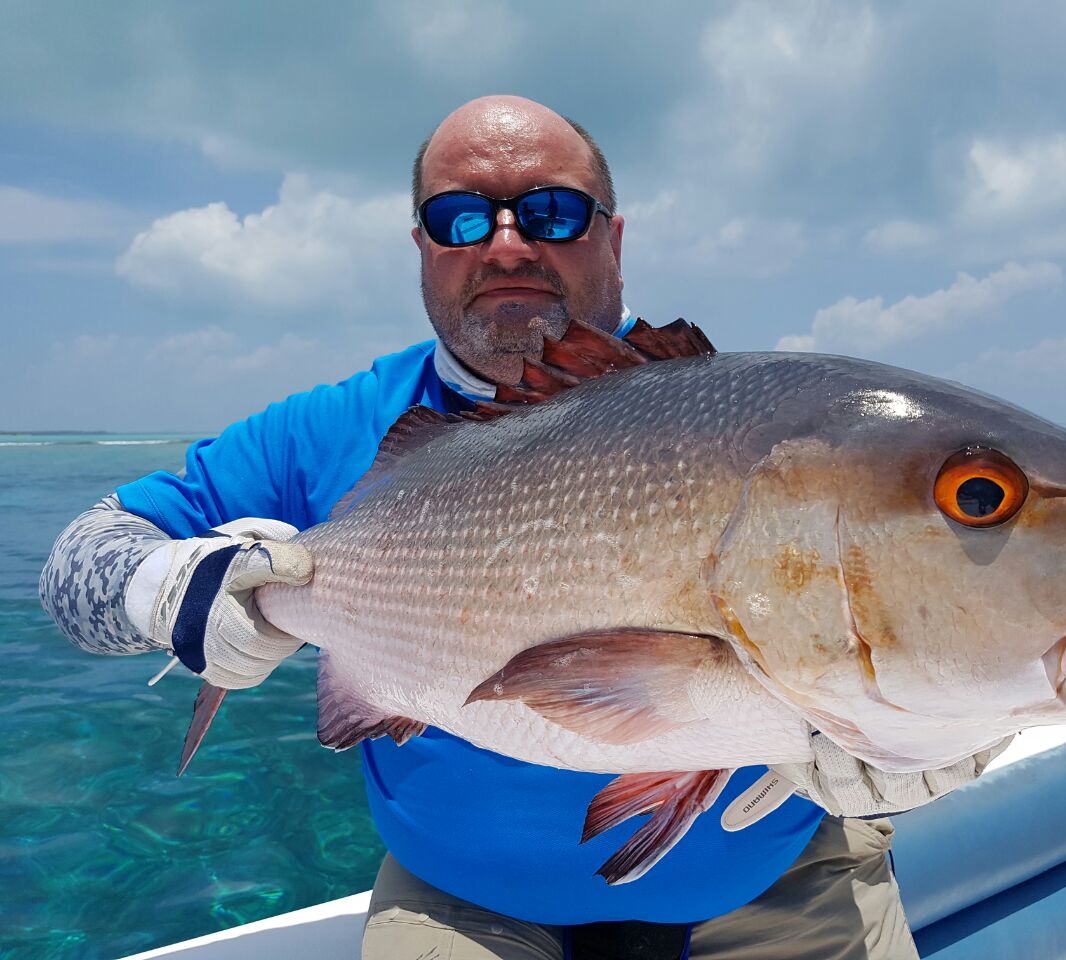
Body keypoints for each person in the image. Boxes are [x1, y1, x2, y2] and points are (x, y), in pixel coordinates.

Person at [40, 96, 1007, 960]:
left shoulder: (752, 420)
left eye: (552, 211)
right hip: (464, 906)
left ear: (613, 238)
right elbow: (80, 561)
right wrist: (170, 592)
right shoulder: (325, 429)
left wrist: (954, 728)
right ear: (423, 246)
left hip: (781, 880)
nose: (507, 244)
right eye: (460, 217)